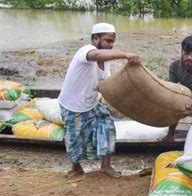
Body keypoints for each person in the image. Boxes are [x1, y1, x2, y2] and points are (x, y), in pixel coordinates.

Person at [58, 22, 140, 178]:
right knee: (74, 139)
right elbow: (95, 56)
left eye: (113, 42)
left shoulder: (107, 60)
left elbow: (105, 84)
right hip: (72, 105)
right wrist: (125, 54)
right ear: (95, 39)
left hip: (91, 103)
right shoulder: (86, 51)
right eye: (108, 41)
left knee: (108, 126)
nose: (111, 45)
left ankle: (106, 166)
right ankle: (76, 168)